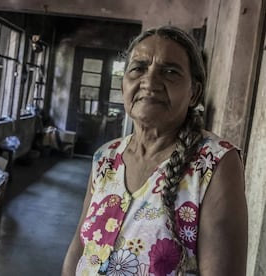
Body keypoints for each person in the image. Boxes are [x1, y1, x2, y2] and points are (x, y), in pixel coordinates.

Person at [62, 25, 247, 276]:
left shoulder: (215, 163)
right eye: (138, 68)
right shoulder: (106, 157)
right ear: (124, 85)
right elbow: (79, 245)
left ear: (194, 93)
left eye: (170, 71)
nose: (149, 81)